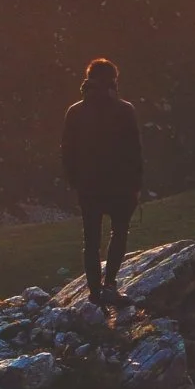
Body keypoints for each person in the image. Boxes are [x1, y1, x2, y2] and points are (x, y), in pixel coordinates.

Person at [60, 57, 143, 296]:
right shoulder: (125, 110)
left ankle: (95, 291)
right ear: (113, 81)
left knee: (91, 241)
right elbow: (134, 151)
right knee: (119, 233)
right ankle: (111, 284)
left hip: (89, 188)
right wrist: (136, 185)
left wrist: (75, 181)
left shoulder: (75, 112)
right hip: (121, 187)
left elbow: (67, 151)